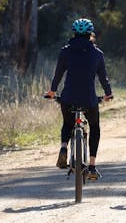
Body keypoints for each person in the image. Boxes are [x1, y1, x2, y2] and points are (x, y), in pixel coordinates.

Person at [45, 18, 113, 180]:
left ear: (74, 34)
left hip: (68, 97)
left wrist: (52, 92)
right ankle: (92, 166)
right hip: (89, 99)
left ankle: (63, 147)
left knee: (67, 123)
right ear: (91, 34)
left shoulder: (65, 51)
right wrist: (108, 94)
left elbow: (58, 75)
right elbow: (103, 78)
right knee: (94, 127)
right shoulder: (97, 54)